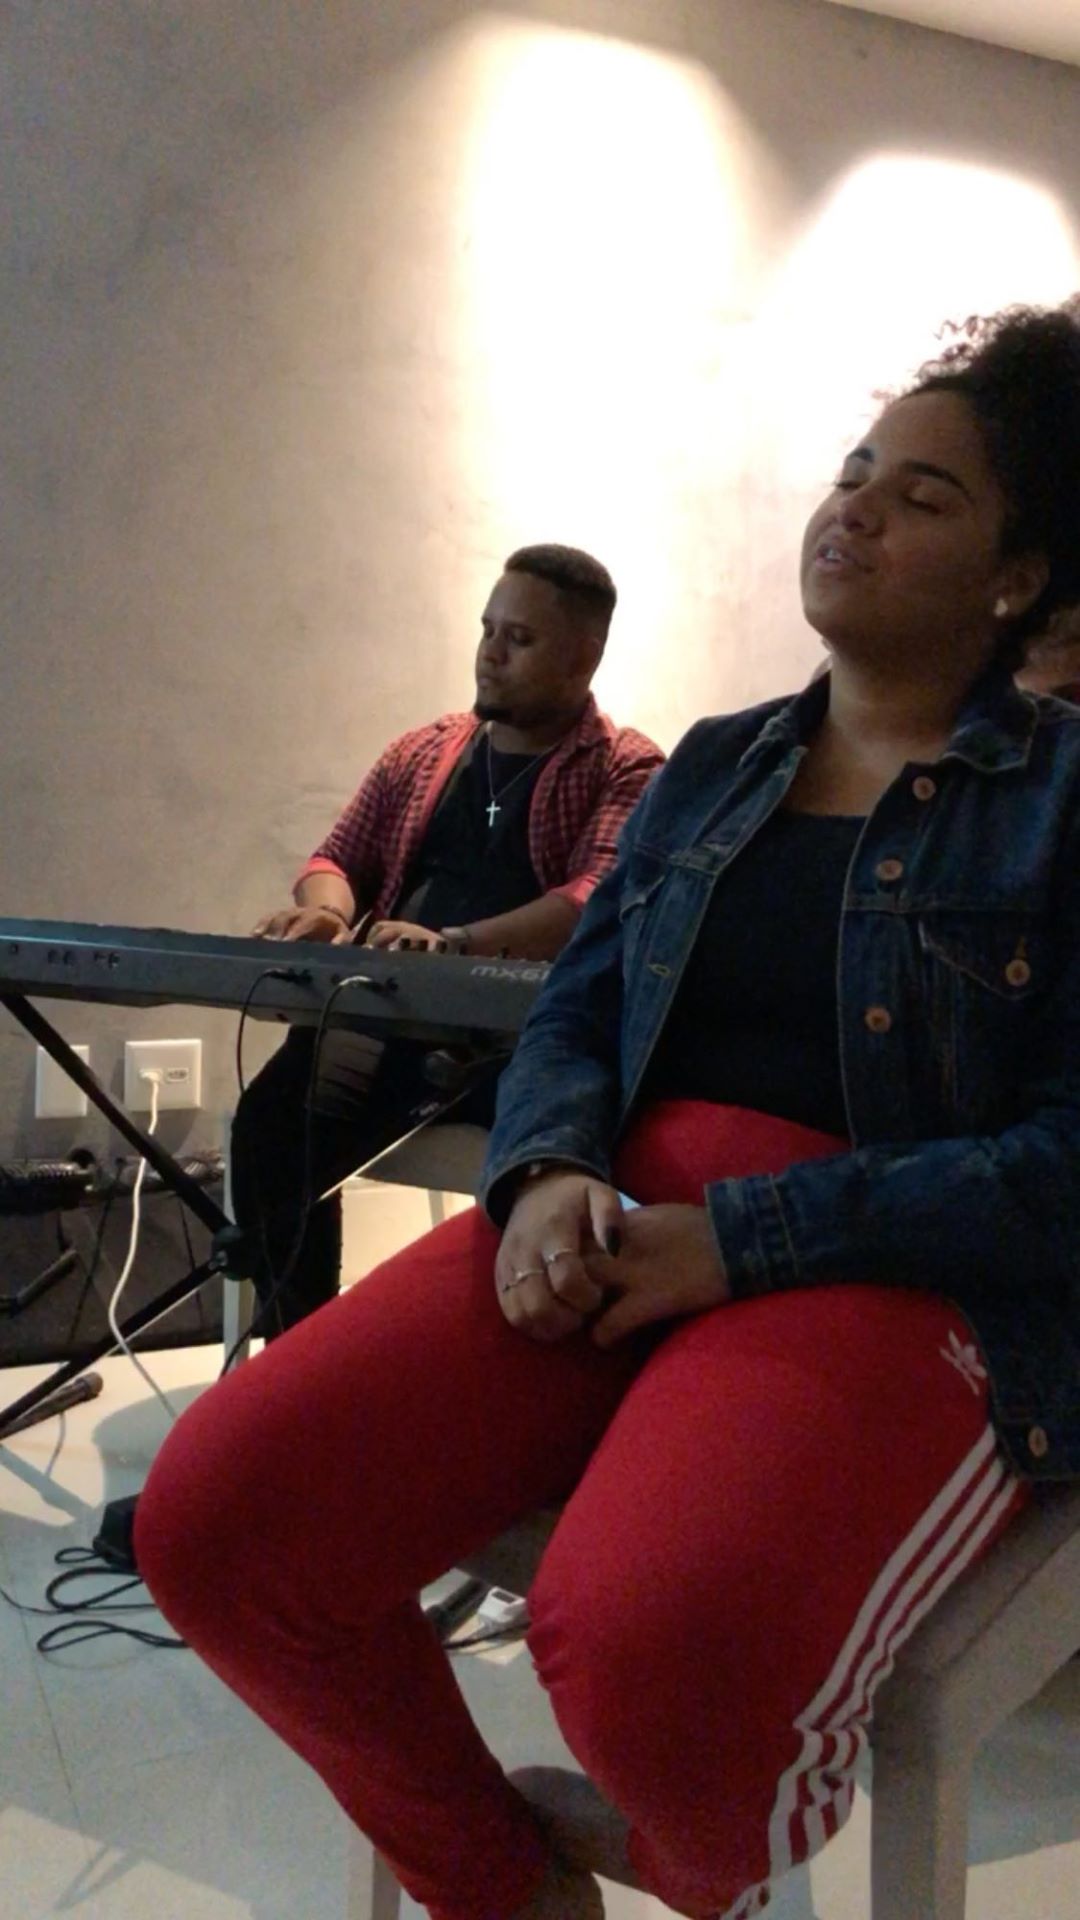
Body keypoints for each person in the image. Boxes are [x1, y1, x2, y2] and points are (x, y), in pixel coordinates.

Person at [137, 303, 1080, 1920]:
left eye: (924, 496)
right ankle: (502, 1887)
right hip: (617, 1224)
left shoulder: (1063, 802)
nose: (855, 507)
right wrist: (546, 1171)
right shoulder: (716, 765)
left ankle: (691, 1864)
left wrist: (742, 1238)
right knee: (223, 1520)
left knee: (656, 1654)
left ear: (1019, 578)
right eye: (856, 471)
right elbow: (575, 1011)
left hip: (897, 1261)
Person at [232, 543, 664, 1334]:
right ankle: (298, 1342)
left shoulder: (625, 767)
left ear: (584, 655)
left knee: (571, 1149)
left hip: (517, 1042)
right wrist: (329, 914)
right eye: (488, 629)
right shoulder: (425, 749)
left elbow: (593, 899)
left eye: (519, 638)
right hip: (388, 1017)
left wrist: (454, 943)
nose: (491, 652)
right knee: (273, 1125)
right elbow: (336, 858)